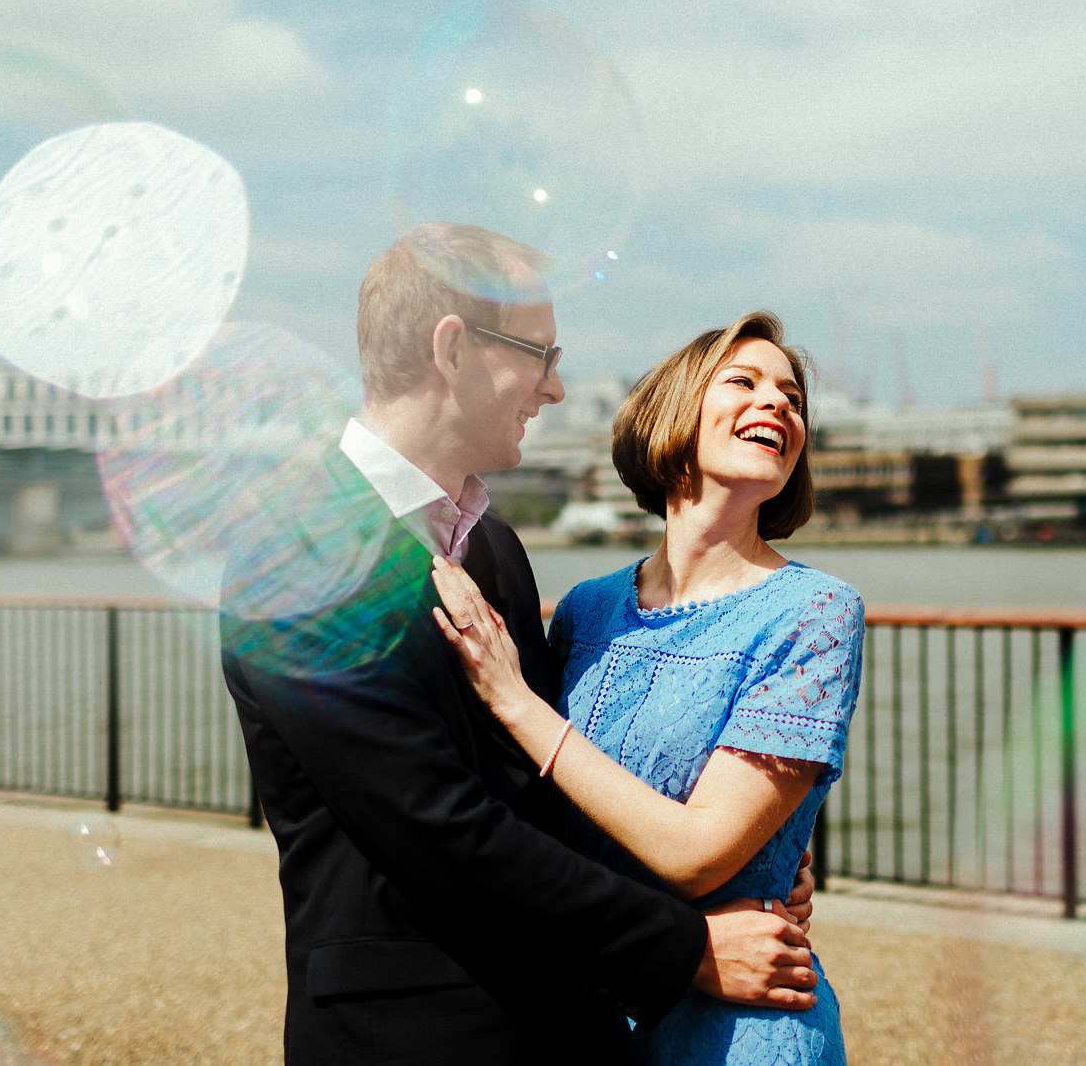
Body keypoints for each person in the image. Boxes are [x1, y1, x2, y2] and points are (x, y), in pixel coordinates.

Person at [218, 225, 820, 1065]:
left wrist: (743, 868)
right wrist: (687, 944)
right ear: (453, 349)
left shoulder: (493, 543)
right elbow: (441, 829)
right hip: (413, 1036)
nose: (557, 386)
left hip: (563, 1023)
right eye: (540, 354)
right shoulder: (298, 555)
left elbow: (540, 795)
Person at [431, 309, 863, 1065]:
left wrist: (514, 700)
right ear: (673, 413)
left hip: (737, 1029)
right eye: (746, 381)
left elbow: (700, 852)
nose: (779, 405)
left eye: (792, 397)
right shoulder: (586, 609)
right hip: (586, 1011)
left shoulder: (816, 611)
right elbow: (537, 815)